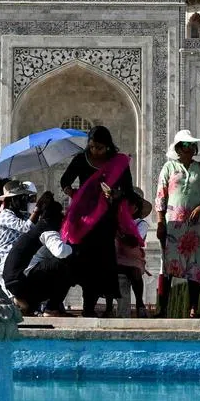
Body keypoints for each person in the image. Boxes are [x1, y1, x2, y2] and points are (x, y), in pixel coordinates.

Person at [61, 126, 134, 316]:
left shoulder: (117, 163)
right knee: (84, 263)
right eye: (92, 147)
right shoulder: (81, 159)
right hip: (85, 221)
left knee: (101, 265)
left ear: (108, 147)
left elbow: (128, 190)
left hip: (105, 222)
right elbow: (65, 181)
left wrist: (116, 193)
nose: (95, 151)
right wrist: (71, 191)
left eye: (99, 148)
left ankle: (92, 308)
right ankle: (80, 305)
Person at [154, 131, 200, 318]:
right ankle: (162, 309)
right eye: (185, 146)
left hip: (196, 225)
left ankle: (193, 307)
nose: (189, 149)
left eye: (191, 145)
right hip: (173, 224)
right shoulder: (169, 167)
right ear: (178, 148)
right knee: (168, 267)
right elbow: (161, 196)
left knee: (194, 267)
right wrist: (159, 223)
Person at [4, 194, 73, 314]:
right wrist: (74, 249)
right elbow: (61, 252)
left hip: (12, 280)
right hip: (20, 281)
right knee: (68, 263)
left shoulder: (38, 228)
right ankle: (52, 308)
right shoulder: (47, 230)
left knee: (52, 266)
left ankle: (27, 303)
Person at [115, 188, 151, 318]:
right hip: (118, 256)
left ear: (136, 208)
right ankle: (109, 307)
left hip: (134, 257)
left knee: (134, 271)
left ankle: (139, 303)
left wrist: (120, 232)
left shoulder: (141, 224)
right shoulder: (117, 221)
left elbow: (134, 242)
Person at [0, 181, 38, 265]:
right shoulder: (5, 215)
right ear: (12, 200)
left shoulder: (23, 215)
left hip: (19, 258)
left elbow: (35, 227)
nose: (25, 200)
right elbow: (26, 228)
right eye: (22, 197)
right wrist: (37, 210)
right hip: (5, 261)